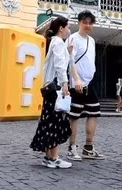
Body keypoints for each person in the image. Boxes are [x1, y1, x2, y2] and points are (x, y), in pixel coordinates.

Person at [30, 16, 73, 168]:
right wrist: (65, 83)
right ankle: (54, 158)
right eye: (67, 27)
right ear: (61, 28)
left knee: (49, 121)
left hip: (49, 87)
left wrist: (67, 52)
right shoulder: (58, 42)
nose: (69, 30)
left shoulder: (55, 42)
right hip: (55, 87)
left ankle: (49, 157)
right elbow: (60, 65)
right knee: (56, 121)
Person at [67, 11, 105, 160]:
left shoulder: (92, 41)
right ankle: (72, 148)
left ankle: (88, 148)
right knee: (74, 117)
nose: (88, 25)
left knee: (94, 113)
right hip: (76, 83)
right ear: (79, 23)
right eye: (85, 22)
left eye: (90, 23)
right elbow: (70, 61)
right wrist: (76, 80)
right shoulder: (72, 39)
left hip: (90, 83)